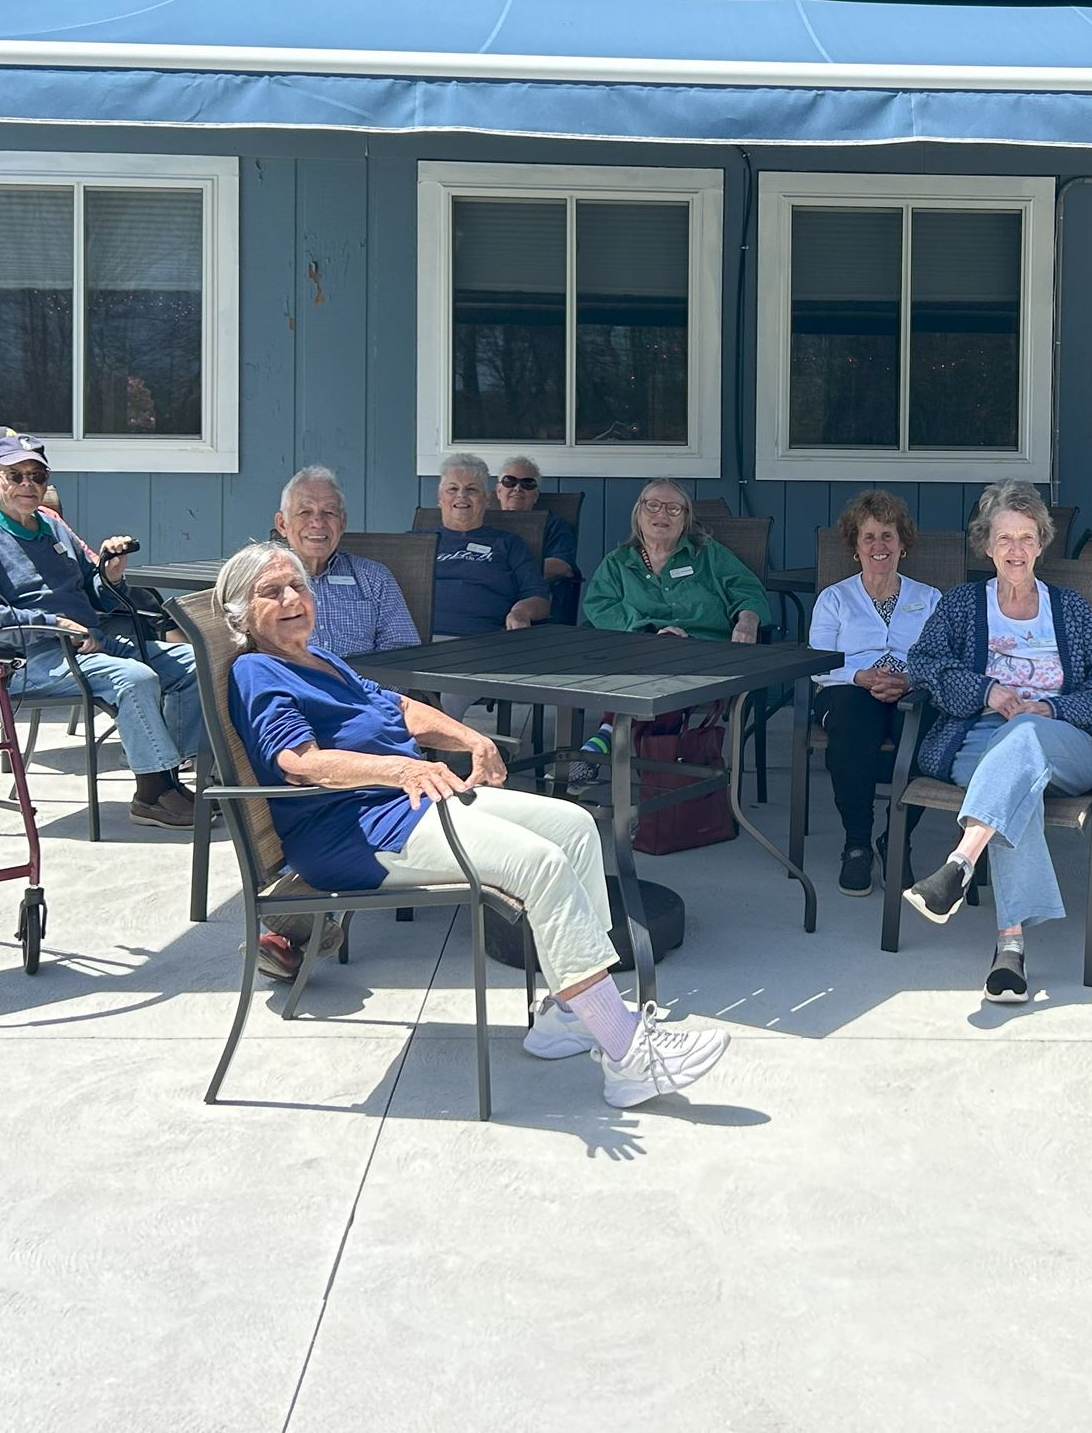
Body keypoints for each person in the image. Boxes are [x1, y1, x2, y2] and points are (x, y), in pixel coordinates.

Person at [217, 541, 726, 1107]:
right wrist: (398, 769)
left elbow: (400, 708)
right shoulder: (257, 670)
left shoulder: (319, 657)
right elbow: (297, 762)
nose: (292, 599)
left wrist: (470, 737)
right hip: (357, 830)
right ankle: (626, 1051)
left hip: (409, 801)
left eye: (297, 587)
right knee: (540, 864)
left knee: (575, 827)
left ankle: (568, 1014)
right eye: (272, 592)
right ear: (241, 613)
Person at [901, 480, 1092, 1005]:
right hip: (980, 739)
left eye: (1027, 538)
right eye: (1004, 538)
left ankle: (960, 862)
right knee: (1014, 790)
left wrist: (1051, 707)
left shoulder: (1069, 610)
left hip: (1065, 742)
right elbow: (926, 663)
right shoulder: (962, 605)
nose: (1016, 550)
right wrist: (988, 691)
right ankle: (1010, 950)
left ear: (1042, 544)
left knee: (1026, 737)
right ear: (986, 545)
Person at [0, 433, 205, 829]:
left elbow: (94, 594)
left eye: (37, 476)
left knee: (196, 662)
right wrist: (55, 626)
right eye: (16, 476)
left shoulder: (50, 526)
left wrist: (110, 575)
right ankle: (152, 792)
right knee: (134, 678)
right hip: (25, 661)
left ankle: (171, 775)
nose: (28, 485)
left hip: (88, 643)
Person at [574, 478, 768, 769]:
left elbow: (748, 591)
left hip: (704, 653)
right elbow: (599, 606)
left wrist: (748, 620)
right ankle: (659, 784)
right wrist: (648, 632)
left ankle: (607, 736)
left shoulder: (709, 554)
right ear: (638, 513)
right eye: (652, 505)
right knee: (661, 670)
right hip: (635, 654)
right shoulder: (618, 562)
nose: (661, 514)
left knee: (666, 667)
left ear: (686, 519)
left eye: (673, 509)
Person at [808, 490, 943, 896]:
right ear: (855, 546)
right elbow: (819, 662)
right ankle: (857, 844)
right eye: (869, 537)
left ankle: (897, 838)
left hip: (911, 688)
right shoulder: (834, 599)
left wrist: (910, 679)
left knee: (928, 735)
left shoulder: (929, 598)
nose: (878, 546)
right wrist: (861, 677)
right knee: (853, 727)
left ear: (903, 545)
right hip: (846, 689)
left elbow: (940, 659)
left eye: (888, 536)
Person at [271, 465, 418, 661]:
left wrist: (364, 690)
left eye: (329, 513)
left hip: (361, 689)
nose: (317, 522)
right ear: (282, 524)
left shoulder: (374, 578)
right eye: (305, 511)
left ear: (342, 523)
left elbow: (403, 651)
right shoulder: (264, 583)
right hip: (293, 687)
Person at [430, 453, 550, 637]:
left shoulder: (508, 543)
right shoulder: (418, 544)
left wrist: (521, 612)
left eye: (471, 489)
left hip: (484, 640)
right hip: (417, 639)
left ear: (486, 499)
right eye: (452, 489)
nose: (461, 495)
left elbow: (539, 597)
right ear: (440, 498)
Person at [496, 456, 580, 624]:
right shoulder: (483, 522)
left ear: (535, 495)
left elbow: (562, 566)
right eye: (510, 482)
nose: (518, 488)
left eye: (527, 484)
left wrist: (507, 574)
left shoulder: (552, 525)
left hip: (531, 600)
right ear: (498, 490)